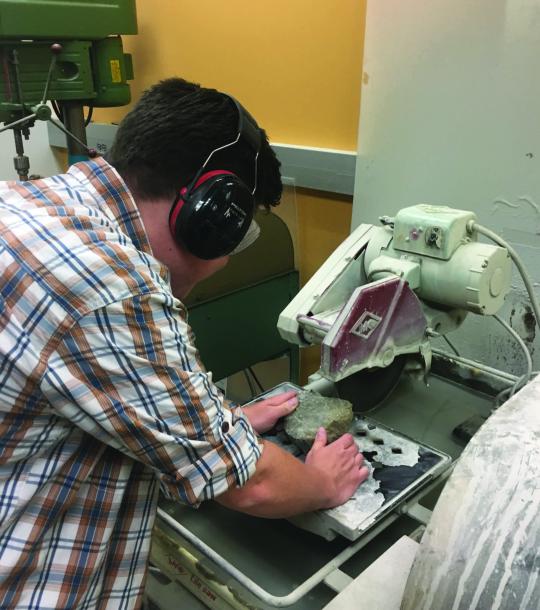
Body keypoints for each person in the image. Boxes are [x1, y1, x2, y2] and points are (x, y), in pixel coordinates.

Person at [0, 77, 368, 609]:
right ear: (209, 216)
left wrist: (221, 424)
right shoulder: (110, 288)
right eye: (235, 236)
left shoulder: (35, 204)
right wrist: (321, 484)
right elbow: (255, 484)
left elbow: (102, 391)